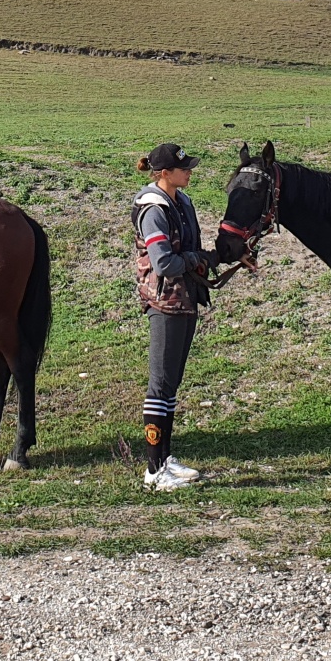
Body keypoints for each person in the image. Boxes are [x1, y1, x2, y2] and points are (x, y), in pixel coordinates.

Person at [131, 142, 217, 491]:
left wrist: (209, 257)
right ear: (165, 174)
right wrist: (198, 260)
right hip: (165, 302)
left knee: (171, 385)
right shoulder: (153, 210)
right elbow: (163, 262)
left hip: (185, 300)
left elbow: (188, 251)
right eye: (184, 168)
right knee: (160, 385)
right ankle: (153, 471)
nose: (190, 171)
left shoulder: (182, 202)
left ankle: (165, 458)